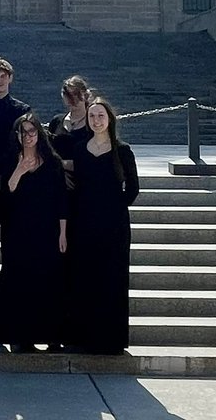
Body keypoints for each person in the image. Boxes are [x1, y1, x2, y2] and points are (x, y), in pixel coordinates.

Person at [67, 96, 139, 354]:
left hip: (114, 226)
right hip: (84, 223)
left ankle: (111, 339)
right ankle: (83, 337)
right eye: (92, 116)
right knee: (85, 278)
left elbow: (133, 188)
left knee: (112, 279)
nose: (96, 120)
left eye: (100, 115)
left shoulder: (122, 150)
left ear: (109, 119)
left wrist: (115, 209)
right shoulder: (79, 149)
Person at [0, 113, 67, 353]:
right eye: (23, 132)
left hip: (47, 230)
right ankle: (20, 336)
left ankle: (51, 336)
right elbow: (6, 193)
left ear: (39, 133)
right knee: (19, 281)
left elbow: (61, 200)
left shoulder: (52, 162)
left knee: (48, 281)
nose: (28, 136)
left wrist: (63, 233)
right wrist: (20, 169)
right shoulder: (9, 159)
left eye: (32, 131)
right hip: (17, 231)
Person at [47, 75, 92, 170]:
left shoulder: (93, 123)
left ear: (85, 95)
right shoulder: (56, 121)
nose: (72, 100)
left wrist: (65, 164)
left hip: (84, 177)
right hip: (58, 178)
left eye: (76, 94)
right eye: (67, 95)